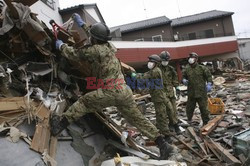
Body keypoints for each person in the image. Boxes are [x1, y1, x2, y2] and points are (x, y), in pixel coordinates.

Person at [51, 13, 173, 159]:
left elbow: (74, 54)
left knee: (84, 102)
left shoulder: (95, 50)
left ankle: (59, 125)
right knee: (137, 118)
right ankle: (163, 145)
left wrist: (61, 46)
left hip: (111, 91)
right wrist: (81, 23)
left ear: (95, 39)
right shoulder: (109, 46)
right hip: (124, 90)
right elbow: (94, 33)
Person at [132, 54, 173, 142]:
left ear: (156, 63)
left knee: (161, 115)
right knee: (161, 114)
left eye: (152, 62)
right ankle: (163, 130)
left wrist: (134, 75)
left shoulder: (155, 71)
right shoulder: (155, 70)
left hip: (159, 98)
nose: (149, 63)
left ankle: (167, 136)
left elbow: (143, 77)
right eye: (149, 61)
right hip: (158, 96)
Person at [182, 52, 213, 125]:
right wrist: (183, 80)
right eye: (190, 58)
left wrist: (209, 84)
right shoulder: (187, 69)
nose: (191, 60)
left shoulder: (202, 68)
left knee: (204, 108)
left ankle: (206, 122)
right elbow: (183, 77)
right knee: (189, 108)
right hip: (191, 92)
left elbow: (209, 77)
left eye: (192, 58)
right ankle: (189, 120)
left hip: (201, 92)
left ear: (196, 59)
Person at [159, 51, 181, 134]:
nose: (165, 62)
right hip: (162, 93)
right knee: (165, 111)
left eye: (167, 60)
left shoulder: (171, 69)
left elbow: (175, 79)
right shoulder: (157, 69)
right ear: (161, 60)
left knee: (173, 110)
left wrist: (177, 88)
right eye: (164, 60)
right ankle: (170, 125)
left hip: (170, 93)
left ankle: (174, 124)